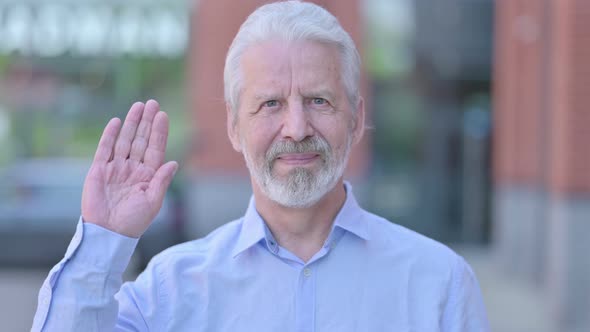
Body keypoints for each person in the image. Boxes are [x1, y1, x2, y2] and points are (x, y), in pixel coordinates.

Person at [32, 1, 489, 331]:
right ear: (234, 126)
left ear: (358, 118)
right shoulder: (170, 291)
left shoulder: (439, 285)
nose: (296, 127)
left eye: (319, 100)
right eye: (270, 103)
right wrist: (102, 240)